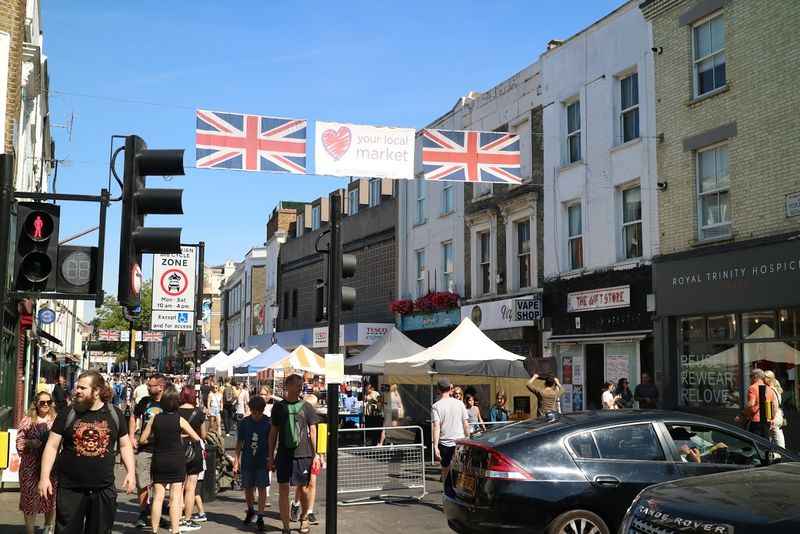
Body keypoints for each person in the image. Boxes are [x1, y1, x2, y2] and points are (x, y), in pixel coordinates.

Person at [38, 371, 136, 534]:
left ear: (96, 391)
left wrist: (131, 473)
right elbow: (52, 446)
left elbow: (125, 445)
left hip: (103, 489)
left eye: (82, 388)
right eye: (77, 387)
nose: (77, 390)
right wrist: (44, 477)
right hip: (70, 489)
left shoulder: (115, 414)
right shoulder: (68, 413)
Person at [139, 385, 201, 534]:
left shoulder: (155, 418)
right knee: (175, 497)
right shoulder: (179, 419)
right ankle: (175, 529)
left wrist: (157, 438)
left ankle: (154, 530)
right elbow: (196, 437)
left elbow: (142, 439)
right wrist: (179, 436)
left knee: (158, 497)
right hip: (176, 460)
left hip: (159, 459)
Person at [268, 374, 321, 534]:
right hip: (284, 454)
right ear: (288, 385)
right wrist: (271, 456)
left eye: (301, 384)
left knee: (304, 489)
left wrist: (317, 454)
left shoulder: (307, 406)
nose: (300, 386)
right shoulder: (278, 407)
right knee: (283, 489)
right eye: (297, 383)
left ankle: (304, 518)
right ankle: (285, 526)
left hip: (303, 454)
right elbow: (273, 432)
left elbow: (313, 430)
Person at [17, 391, 57, 534]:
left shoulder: (56, 420)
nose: (46, 405)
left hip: (51, 467)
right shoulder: (27, 421)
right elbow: (19, 441)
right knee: (29, 500)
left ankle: (48, 528)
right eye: (42, 402)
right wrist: (29, 443)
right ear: (36, 403)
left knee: (50, 499)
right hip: (30, 466)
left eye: (48, 402)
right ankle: (30, 531)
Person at [130, 373, 166, 529]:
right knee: (142, 482)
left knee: (160, 484)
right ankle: (144, 512)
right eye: (148, 385)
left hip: (163, 448)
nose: (148, 387)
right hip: (144, 447)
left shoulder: (168, 402)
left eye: (151, 385)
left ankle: (156, 514)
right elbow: (133, 416)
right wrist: (132, 435)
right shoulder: (145, 402)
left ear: (161, 387)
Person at [234, 396, 271, 531]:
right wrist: (236, 461)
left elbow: (272, 442)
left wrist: (271, 458)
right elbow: (239, 443)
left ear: (262, 410)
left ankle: (260, 516)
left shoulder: (268, 422)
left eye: (258, 412)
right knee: (248, 488)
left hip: (262, 461)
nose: (255, 415)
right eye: (253, 412)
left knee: (262, 488)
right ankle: (250, 509)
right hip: (248, 460)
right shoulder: (245, 422)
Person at [431, 378, 470, 497]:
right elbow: (465, 423)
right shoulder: (460, 403)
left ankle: (447, 495)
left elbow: (436, 427)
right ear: (450, 388)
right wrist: (468, 438)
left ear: (438, 390)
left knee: (446, 470)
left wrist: (435, 445)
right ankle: (461, 495)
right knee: (461, 470)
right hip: (460, 442)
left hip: (445, 443)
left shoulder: (436, 406)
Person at [177, 386, 207, 531]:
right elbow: (204, 435)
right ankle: (187, 520)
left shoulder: (175, 411)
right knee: (191, 488)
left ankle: (178, 517)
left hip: (177, 450)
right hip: (194, 450)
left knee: (178, 487)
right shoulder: (199, 413)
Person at [737, 368, 778, 438]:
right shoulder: (769, 389)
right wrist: (771, 419)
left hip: (756, 421)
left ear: (755, 376)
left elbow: (751, 404)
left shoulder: (753, 388)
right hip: (767, 421)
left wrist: (742, 414)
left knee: (753, 443)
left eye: (750, 376)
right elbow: (773, 406)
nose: (750, 379)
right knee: (765, 443)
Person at [764, 370, 786, 448]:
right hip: (779, 414)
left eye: (765, 378)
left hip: (774, 415)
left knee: (775, 436)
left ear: (769, 379)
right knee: (777, 434)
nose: (763, 379)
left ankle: (780, 455)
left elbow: (774, 405)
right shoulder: (775, 389)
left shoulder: (770, 390)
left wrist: (771, 418)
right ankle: (780, 454)